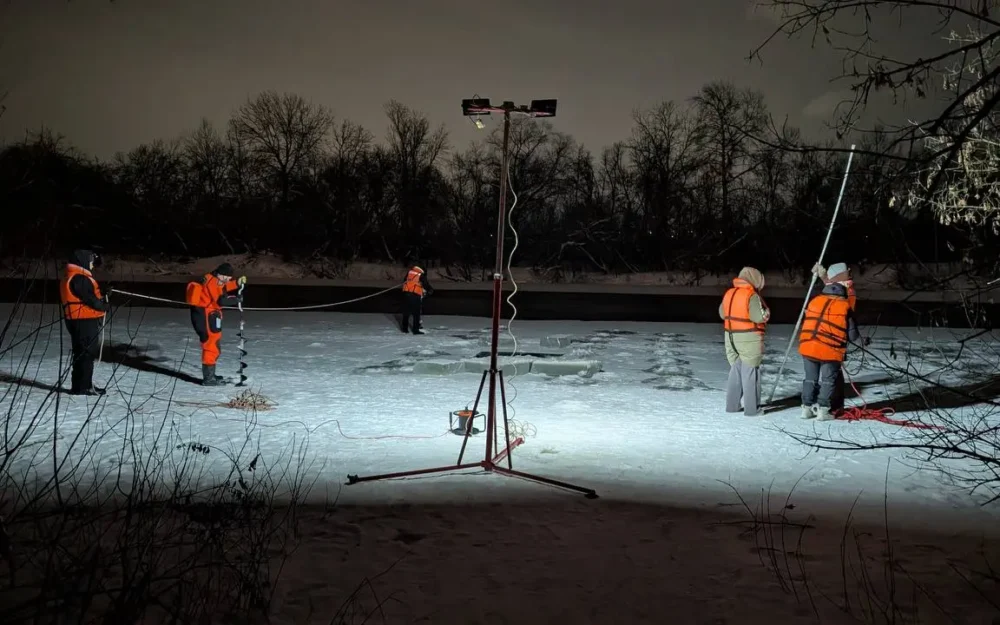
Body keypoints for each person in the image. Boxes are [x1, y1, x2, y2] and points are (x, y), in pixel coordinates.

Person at [798, 276, 868, 421]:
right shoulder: (844, 306)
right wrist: (864, 341)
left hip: (808, 346)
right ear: (842, 294)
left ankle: (806, 408)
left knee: (810, 379)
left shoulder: (814, 302)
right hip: (830, 350)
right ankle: (823, 411)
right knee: (828, 381)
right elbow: (853, 335)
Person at [720, 266, 771, 416]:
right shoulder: (751, 295)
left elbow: (722, 313)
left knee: (735, 370)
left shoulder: (729, 293)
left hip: (730, 337)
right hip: (748, 338)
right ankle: (752, 409)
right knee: (750, 373)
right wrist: (766, 314)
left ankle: (732, 406)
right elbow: (757, 317)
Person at [185, 263, 246, 385]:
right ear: (222, 274)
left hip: (209, 315)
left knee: (213, 344)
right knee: (211, 345)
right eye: (228, 277)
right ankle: (208, 379)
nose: (229, 279)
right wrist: (236, 299)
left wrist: (237, 283)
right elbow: (221, 299)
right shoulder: (212, 282)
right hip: (207, 316)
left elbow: (222, 287)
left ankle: (211, 375)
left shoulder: (213, 279)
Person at [59, 249, 109, 396]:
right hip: (83, 321)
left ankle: (81, 385)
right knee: (86, 353)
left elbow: (88, 296)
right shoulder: (79, 278)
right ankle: (83, 387)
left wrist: (104, 294)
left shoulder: (74, 276)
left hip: (78, 319)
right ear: (83, 261)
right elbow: (90, 299)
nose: (93, 265)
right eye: (91, 261)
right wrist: (103, 305)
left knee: (81, 353)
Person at [811, 262, 857, 411]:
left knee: (834, 374)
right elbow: (833, 289)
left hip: (836, 337)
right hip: (829, 336)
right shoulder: (843, 287)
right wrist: (823, 276)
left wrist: (825, 279)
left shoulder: (848, 293)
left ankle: (835, 406)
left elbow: (835, 295)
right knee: (833, 373)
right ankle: (833, 404)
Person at [400, 265, 433, 335]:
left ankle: (404, 329)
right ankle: (415, 330)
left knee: (406, 312)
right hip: (415, 295)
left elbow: (405, 281)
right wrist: (430, 290)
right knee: (416, 314)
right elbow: (426, 284)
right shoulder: (421, 274)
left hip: (406, 294)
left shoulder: (410, 272)